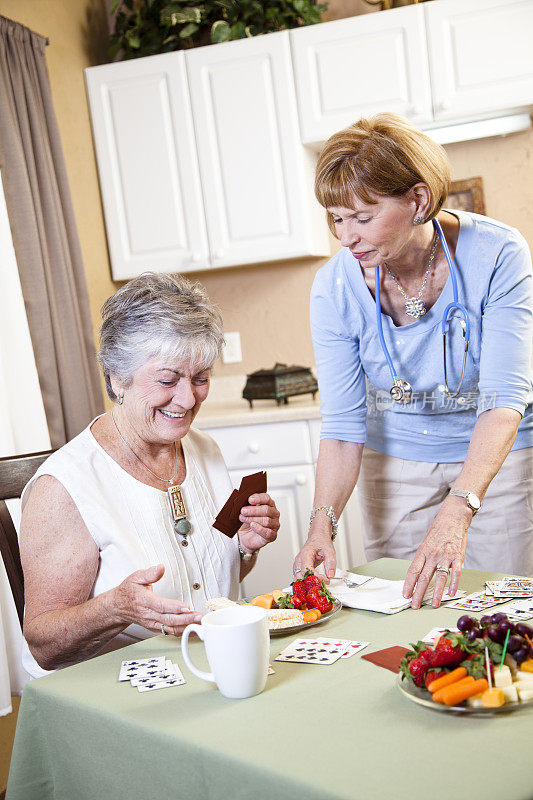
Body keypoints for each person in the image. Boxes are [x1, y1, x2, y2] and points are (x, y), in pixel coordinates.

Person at [293, 113, 533, 608]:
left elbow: (505, 398)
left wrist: (458, 508)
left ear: (418, 200)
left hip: (498, 457)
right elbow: (342, 423)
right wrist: (322, 527)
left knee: (504, 606)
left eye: (363, 217)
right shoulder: (335, 287)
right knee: (403, 607)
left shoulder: (498, 253)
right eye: (336, 218)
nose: (346, 237)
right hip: (397, 459)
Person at [20, 273, 280, 677]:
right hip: (119, 691)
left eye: (201, 378)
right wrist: (115, 608)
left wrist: (245, 548)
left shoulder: (205, 451)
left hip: (211, 669)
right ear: (116, 377)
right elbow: (42, 645)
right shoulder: (65, 488)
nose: (188, 398)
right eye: (167, 379)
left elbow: (208, 584)